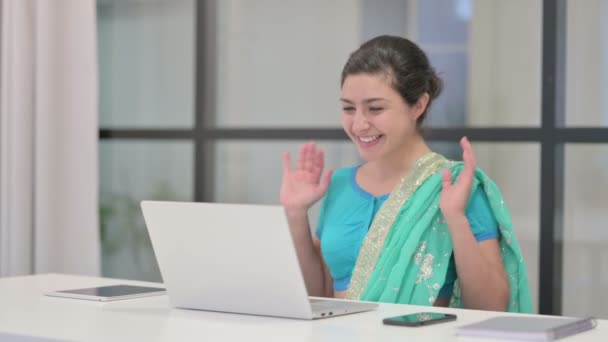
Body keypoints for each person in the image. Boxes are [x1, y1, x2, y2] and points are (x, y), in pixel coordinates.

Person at [279, 35, 532, 312]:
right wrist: (295, 214)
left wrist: (455, 217)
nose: (360, 124)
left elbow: (492, 307)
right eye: (348, 108)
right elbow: (319, 297)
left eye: (375, 108)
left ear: (418, 105)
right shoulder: (339, 185)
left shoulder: (454, 186)